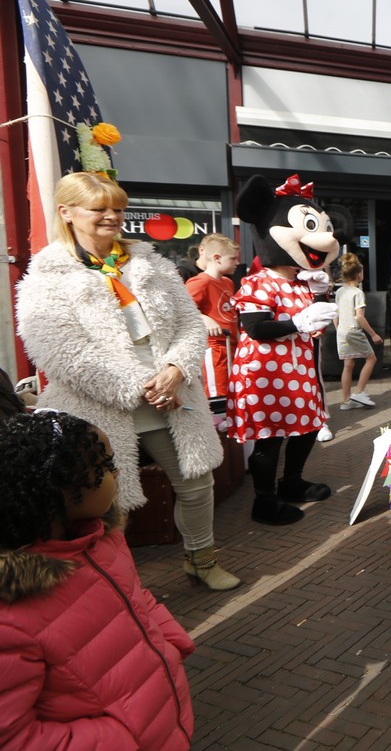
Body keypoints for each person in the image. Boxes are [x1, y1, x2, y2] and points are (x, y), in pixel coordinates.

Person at [16, 171, 239, 591]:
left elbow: (190, 324)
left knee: (197, 484)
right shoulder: (46, 277)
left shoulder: (152, 263)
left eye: (118, 208)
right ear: (66, 212)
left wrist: (176, 369)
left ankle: (201, 560)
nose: (112, 216)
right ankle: (117, 586)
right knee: (105, 503)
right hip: (96, 406)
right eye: (99, 208)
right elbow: (61, 352)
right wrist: (145, 385)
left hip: (172, 397)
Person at [0, 412, 195, 749]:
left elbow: (134, 595)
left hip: (165, 720)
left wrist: (170, 642)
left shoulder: (104, 540)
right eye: (103, 467)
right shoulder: (11, 619)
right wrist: (117, 739)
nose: (116, 473)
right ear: (59, 490)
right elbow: (12, 736)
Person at [229, 175, 342, 527]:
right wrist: (298, 322)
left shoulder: (300, 284)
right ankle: (264, 501)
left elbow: (313, 323)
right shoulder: (257, 282)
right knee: (271, 438)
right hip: (265, 374)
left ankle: (291, 481)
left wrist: (318, 304)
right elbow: (255, 328)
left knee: (307, 429)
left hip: (299, 371)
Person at [185, 233, 240, 419]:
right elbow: (182, 309)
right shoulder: (200, 282)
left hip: (231, 346)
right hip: (214, 348)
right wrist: (204, 318)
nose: (237, 263)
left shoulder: (227, 282)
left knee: (233, 396)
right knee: (218, 396)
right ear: (217, 258)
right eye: (232, 258)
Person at [334, 252, 384, 411]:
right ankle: (360, 392)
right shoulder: (358, 293)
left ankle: (345, 401)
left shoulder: (339, 292)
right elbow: (360, 317)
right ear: (359, 274)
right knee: (371, 358)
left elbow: (336, 314)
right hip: (354, 331)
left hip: (341, 331)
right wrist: (373, 334)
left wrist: (338, 329)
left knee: (348, 364)